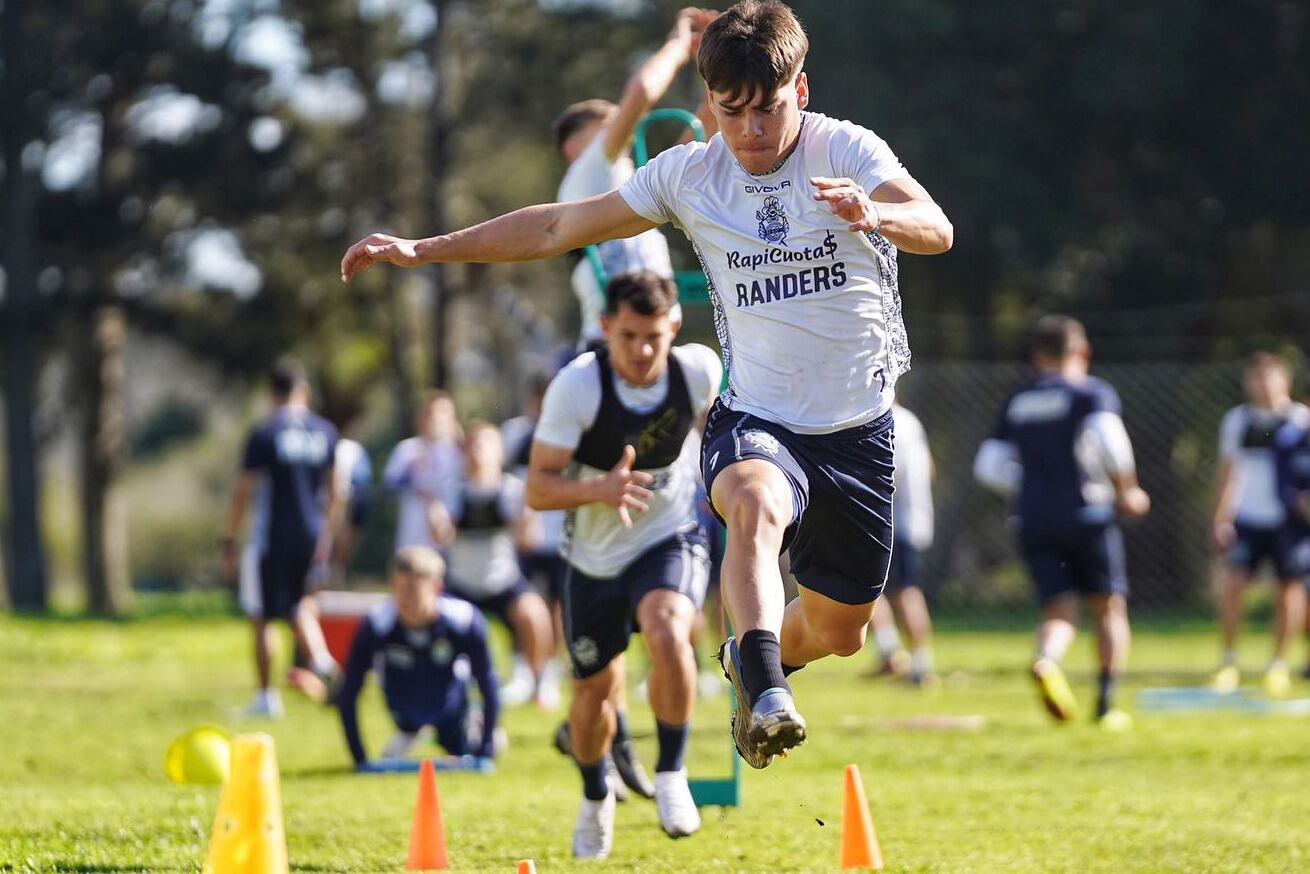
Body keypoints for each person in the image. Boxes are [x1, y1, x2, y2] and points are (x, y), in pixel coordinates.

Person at [341, 0, 953, 768]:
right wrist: (422, 249)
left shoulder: (846, 148)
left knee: (841, 630)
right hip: (758, 414)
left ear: (800, 91)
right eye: (731, 111)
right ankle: (766, 689)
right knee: (754, 504)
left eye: (767, 110)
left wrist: (874, 214)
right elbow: (557, 227)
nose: (751, 132)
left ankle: (746, 662)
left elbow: (936, 227)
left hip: (859, 427)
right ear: (711, 104)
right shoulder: (689, 175)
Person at [525, 271, 720, 857]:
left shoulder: (699, 372)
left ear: (674, 328)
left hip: (668, 534)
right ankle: (594, 797)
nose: (640, 351)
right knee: (595, 695)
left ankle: (672, 773)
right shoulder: (578, 387)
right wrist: (599, 490)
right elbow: (537, 488)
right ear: (606, 327)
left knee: (669, 630)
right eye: (628, 336)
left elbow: (726, 433)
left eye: (653, 337)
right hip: (594, 558)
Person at [974, 316, 1150, 729]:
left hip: (1033, 517)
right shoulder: (1090, 393)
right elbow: (1109, 439)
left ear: (1037, 355)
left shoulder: (1019, 401)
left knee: (1059, 608)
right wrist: (1128, 489)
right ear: (1083, 351)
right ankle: (1105, 704)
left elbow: (988, 466)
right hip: (1088, 514)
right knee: (1108, 607)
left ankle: (1047, 660)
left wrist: (1030, 486)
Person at [554, 7, 719, 348]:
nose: (625, 131)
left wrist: (718, 62)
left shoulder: (628, 181)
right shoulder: (584, 176)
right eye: (609, 126)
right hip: (609, 348)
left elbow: (702, 131)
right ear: (573, 147)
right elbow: (642, 91)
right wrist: (677, 45)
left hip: (657, 344)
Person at [221, 360, 342, 718]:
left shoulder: (266, 433)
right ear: (304, 391)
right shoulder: (326, 432)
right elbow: (337, 491)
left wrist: (228, 539)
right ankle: (324, 665)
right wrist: (327, 535)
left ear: (271, 394)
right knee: (300, 606)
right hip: (312, 534)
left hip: (270, 537)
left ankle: (265, 697)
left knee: (261, 615)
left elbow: (243, 490)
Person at [335, 546, 500, 769]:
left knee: (489, 744)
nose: (404, 598)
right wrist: (359, 757)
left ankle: (473, 725)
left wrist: (486, 749)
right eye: (397, 588)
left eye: (412, 589)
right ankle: (411, 734)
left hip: (451, 712)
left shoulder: (463, 621)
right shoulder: (377, 625)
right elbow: (350, 689)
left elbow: (488, 682)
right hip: (403, 713)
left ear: (436, 587)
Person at [429, 421, 554, 708]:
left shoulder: (512, 490)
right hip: (461, 584)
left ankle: (537, 681)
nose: (477, 452)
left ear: (499, 452)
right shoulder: (452, 490)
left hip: (502, 581)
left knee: (534, 615)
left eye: (485, 444)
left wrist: (526, 519)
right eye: (472, 445)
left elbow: (528, 541)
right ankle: (446, 686)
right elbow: (441, 536)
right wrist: (439, 524)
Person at [1209, 353, 1310, 696]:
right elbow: (1227, 473)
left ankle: (1278, 665)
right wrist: (1220, 518)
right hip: (1247, 519)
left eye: (1269, 377)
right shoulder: (1237, 421)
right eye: (1256, 377)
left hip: (1289, 522)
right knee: (1234, 584)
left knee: (1289, 589)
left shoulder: (1300, 421)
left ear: (1286, 381)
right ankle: (1229, 661)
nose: (1263, 385)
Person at [867, 398, 937, 686]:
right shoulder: (911, 420)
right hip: (914, 517)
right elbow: (929, 469)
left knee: (899, 591)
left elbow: (889, 471)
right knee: (894, 589)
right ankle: (900, 655)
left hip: (891, 519)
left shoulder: (881, 419)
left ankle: (913, 662)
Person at [383, 391, 464, 552]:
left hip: (450, 540)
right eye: (432, 413)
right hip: (413, 538)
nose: (437, 419)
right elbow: (389, 487)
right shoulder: (408, 450)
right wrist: (413, 479)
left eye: (443, 413)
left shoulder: (460, 454)